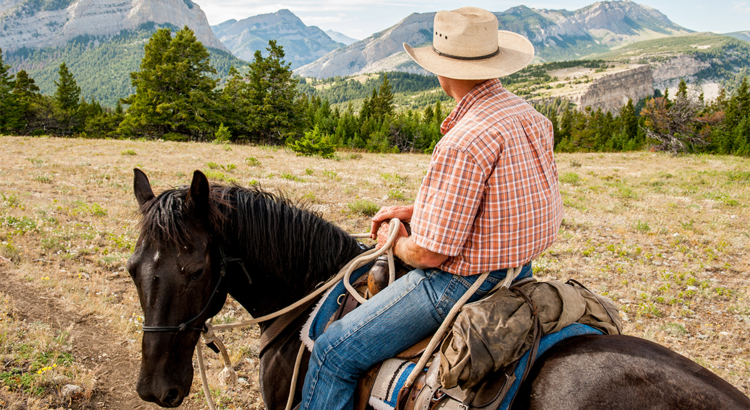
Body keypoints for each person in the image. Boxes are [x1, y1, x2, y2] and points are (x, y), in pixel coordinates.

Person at [299, 7, 563, 409]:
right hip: (518, 269)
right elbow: (494, 202)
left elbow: (429, 254)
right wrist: (415, 209)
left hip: (462, 284)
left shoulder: (465, 139)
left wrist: (397, 239)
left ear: (442, 71)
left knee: (335, 352)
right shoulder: (529, 117)